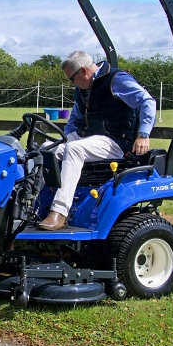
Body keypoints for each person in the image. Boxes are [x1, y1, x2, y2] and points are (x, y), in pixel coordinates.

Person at [37, 51, 156, 231]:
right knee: (45, 148)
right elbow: (74, 120)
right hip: (88, 137)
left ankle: (60, 212)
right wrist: (62, 140)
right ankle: (32, 206)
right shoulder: (82, 89)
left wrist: (143, 134)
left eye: (72, 79)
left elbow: (147, 101)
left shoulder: (116, 80)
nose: (72, 84)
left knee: (74, 149)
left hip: (114, 140)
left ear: (84, 71)